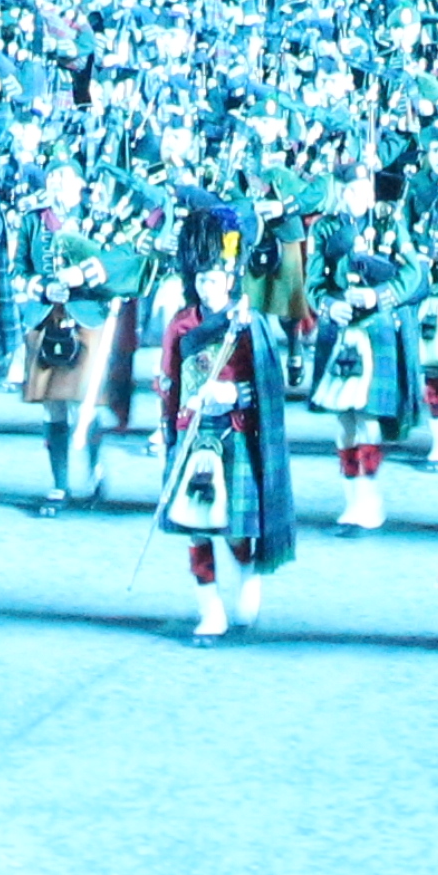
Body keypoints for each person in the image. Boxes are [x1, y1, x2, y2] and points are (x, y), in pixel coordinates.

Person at [153, 197, 296, 640]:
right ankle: (209, 610)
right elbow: (169, 380)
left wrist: (233, 392)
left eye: (214, 278)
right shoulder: (180, 324)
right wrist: (168, 429)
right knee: (195, 531)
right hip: (192, 433)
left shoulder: (250, 323)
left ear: (230, 276)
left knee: (234, 528)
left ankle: (248, 571)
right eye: (199, 278)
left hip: (234, 432)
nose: (206, 287)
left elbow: (269, 391)